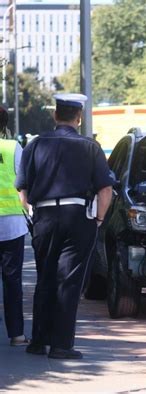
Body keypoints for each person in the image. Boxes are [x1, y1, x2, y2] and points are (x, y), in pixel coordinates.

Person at [15, 93, 113, 359]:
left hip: (44, 217)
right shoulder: (90, 147)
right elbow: (106, 191)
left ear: (55, 116)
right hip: (77, 217)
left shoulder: (35, 145)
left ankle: (38, 341)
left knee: (44, 278)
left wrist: (34, 213)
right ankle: (61, 346)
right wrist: (99, 220)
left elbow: (22, 189)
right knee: (68, 281)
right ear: (78, 118)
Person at [0, 106, 29, 346]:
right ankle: (17, 334)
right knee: (12, 280)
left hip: (11, 222)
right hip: (11, 224)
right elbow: (23, 184)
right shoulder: (12, 148)